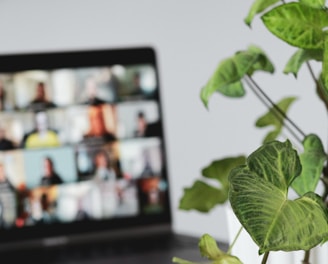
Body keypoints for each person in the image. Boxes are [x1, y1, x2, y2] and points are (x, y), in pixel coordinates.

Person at [0, 163, 16, 228]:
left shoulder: (8, 181)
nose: (2, 172)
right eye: (0, 171)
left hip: (10, 211)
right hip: (2, 215)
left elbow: (14, 192)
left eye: (2, 170)